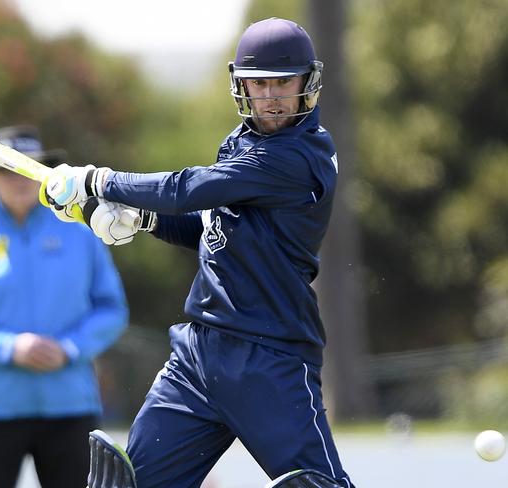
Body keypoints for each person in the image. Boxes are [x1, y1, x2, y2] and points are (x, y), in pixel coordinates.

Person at [42, 17, 353, 488]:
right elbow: (215, 230)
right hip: (197, 357)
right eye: (258, 83)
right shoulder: (243, 144)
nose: (270, 96)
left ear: (307, 83)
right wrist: (143, 218)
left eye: (282, 83)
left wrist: (99, 181)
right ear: (241, 84)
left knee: (319, 486)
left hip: (268, 358)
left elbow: (188, 189)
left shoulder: (299, 156)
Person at [0, 125, 128, 488]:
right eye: (6, 168)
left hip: (69, 404)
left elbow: (111, 310)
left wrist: (69, 348)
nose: (18, 177)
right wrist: (7, 348)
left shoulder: (80, 232)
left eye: (27, 167)